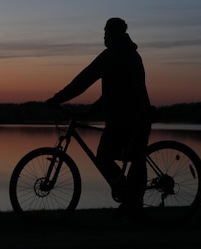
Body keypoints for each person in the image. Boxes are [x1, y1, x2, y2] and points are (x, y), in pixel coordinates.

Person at [45, 17, 153, 217]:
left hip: (126, 117)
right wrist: (89, 111)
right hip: (139, 115)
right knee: (133, 157)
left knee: (106, 156)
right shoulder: (131, 54)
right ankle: (132, 201)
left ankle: (130, 199)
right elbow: (115, 92)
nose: (103, 35)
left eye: (105, 32)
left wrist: (57, 99)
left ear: (111, 33)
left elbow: (83, 80)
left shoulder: (112, 55)